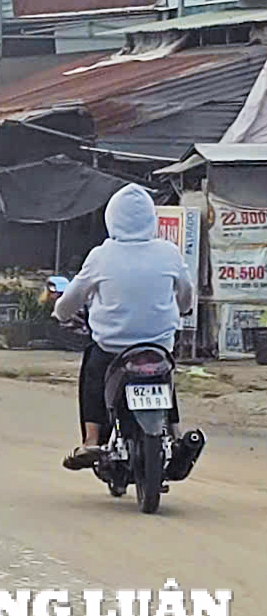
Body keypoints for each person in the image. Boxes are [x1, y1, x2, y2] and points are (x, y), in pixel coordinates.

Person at [52, 184, 194, 470]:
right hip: (158, 345)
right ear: (150, 219)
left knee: (93, 374)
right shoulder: (168, 253)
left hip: (111, 348)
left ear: (111, 218)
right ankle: (176, 434)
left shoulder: (101, 256)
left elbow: (72, 298)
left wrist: (61, 312)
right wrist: (182, 308)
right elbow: (186, 293)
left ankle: (92, 440)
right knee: (164, 375)